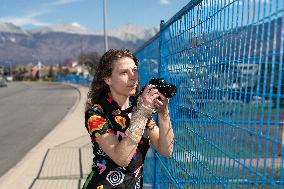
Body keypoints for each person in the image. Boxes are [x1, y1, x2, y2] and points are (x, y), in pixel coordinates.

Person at [82, 49, 174, 189]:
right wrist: (142, 113)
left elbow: (166, 150)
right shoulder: (96, 114)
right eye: (124, 72)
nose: (133, 77)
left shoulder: (137, 108)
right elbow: (122, 158)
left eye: (134, 70)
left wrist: (163, 112)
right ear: (108, 79)